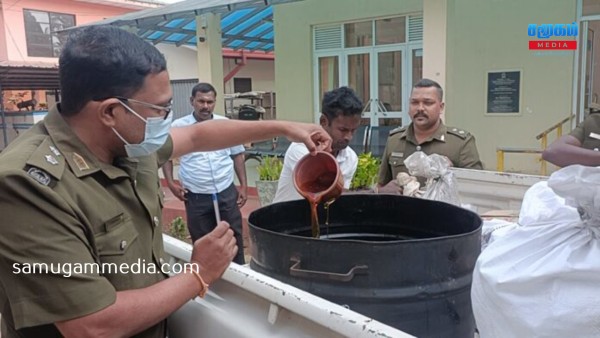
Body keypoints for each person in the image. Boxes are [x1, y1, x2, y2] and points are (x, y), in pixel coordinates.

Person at [0, 26, 331, 338]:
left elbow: (199, 134)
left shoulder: (124, 142)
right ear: (110, 112)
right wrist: (198, 273)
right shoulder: (29, 186)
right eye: (160, 109)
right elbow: (91, 326)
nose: (167, 119)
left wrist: (287, 128)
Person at [162, 82, 247, 265]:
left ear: (215, 102)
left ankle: (240, 274)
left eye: (210, 102)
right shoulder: (179, 127)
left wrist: (244, 186)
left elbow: (237, 155)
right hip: (196, 194)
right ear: (192, 101)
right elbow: (166, 157)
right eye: (201, 101)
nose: (205, 106)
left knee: (233, 234)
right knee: (201, 238)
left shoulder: (225, 125)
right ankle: (206, 281)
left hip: (225, 190)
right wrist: (171, 183)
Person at [377, 78, 482, 190]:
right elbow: (382, 184)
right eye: (414, 102)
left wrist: (450, 172)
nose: (420, 108)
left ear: (441, 107)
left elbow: (476, 190)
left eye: (428, 103)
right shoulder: (395, 140)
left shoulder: (460, 143)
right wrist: (383, 190)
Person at [273, 86, 363, 203]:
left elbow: (337, 196)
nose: (348, 137)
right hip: (285, 217)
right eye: (343, 130)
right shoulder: (301, 148)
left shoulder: (350, 158)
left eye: (353, 130)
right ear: (323, 121)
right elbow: (321, 185)